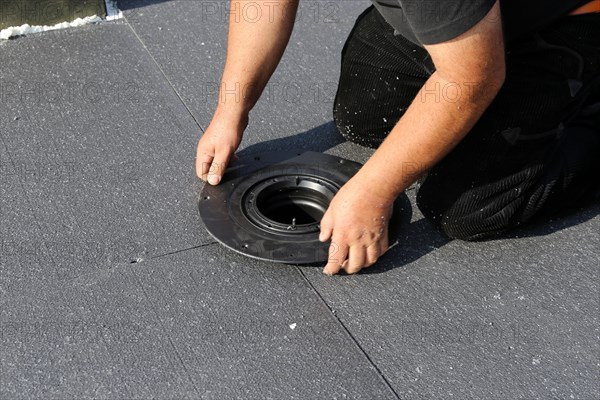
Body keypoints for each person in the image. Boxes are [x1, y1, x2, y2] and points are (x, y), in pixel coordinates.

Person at [196, 0, 600, 276]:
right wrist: (232, 108)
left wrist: (374, 189)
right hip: (465, 16)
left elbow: (471, 77)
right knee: (365, 118)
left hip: (569, 17)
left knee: (470, 207)